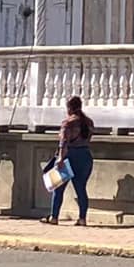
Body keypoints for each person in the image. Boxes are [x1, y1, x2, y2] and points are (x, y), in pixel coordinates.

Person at [41, 96, 94, 226]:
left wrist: (60, 158)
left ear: (69, 108)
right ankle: (82, 218)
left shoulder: (67, 123)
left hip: (70, 156)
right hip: (85, 155)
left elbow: (63, 143)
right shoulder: (89, 122)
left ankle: (54, 217)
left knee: (58, 188)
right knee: (81, 188)